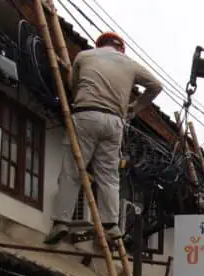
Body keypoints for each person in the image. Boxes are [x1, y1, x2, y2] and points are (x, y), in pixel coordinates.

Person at [45, 31, 162, 245]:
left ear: (99, 45)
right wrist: (135, 108)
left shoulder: (84, 56)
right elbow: (157, 86)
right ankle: (111, 225)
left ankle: (62, 221)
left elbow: (73, 85)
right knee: (109, 175)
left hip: (86, 114)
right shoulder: (130, 64)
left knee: (72, 170)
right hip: (114, 122)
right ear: (121, 49)